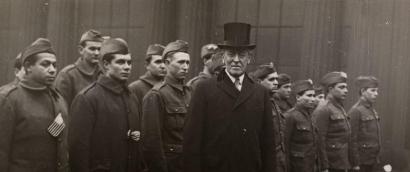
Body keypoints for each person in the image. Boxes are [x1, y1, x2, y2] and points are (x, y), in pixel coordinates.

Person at [183, 22, 275, 172]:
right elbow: (191, 142)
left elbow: (268, 145)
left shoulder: (260, 92)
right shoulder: (205, 89)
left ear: (249, 58)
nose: (236, 60)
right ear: (223, 57)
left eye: (242, 55)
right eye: (231, 54)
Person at [69, 38, 142, 172]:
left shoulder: (131, 97)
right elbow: (78, 152)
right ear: (106, 64)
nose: (127, 67)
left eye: (129, 62)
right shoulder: (88, 98)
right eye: (120, 62)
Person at [0, 38, 69, 172]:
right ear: (27, 66)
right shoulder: (9, 99)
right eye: (45, 64)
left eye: (55, 65)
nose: (52, 70)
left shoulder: (58, 99)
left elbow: (60, 143)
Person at [142, 40, 191, 172]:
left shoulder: (190, 93)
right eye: (181, 62)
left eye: (187, 62)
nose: (185, 67)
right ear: (167, 63)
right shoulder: (156, 95)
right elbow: (151, 145)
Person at [313, 71, 358, 172]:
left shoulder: (339, 107)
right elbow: (319, 141)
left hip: (342, 163)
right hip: (331, 164)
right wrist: (324, 167)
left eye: (346, 87)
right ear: (330, 89)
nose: (346, 91)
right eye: (341, 87)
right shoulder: (324, 109)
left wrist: (353, 163)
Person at [284, 79, 326, 172]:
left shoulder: (310, 116)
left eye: (314, 96)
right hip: (297, 167)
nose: (313, 99)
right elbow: (285, 147)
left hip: (311, 166)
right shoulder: (290, 116)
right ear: (298, 97)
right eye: (309, 96)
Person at [251, 62, 287, 172]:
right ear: (259, 82)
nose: (276, 83)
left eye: (276, 79)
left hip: (278, 160)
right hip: (263, 161)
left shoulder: (273, 102)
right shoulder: (255, 103)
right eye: (271, 80)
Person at [55, 29, 104, 106]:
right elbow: (60, 109)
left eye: (99, 49)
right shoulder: (67, 75)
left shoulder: (104, 74)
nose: (96, 53)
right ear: (81, 50)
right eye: (92, 49)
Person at [349, 76, 381, 172]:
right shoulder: (356, 111)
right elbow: (351, 139)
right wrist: (355, 163)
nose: (376, 94)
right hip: (361, 162)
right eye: (373, 90)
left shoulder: (371, 110)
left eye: (377, 91)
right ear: (363, 91)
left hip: (372, 160)